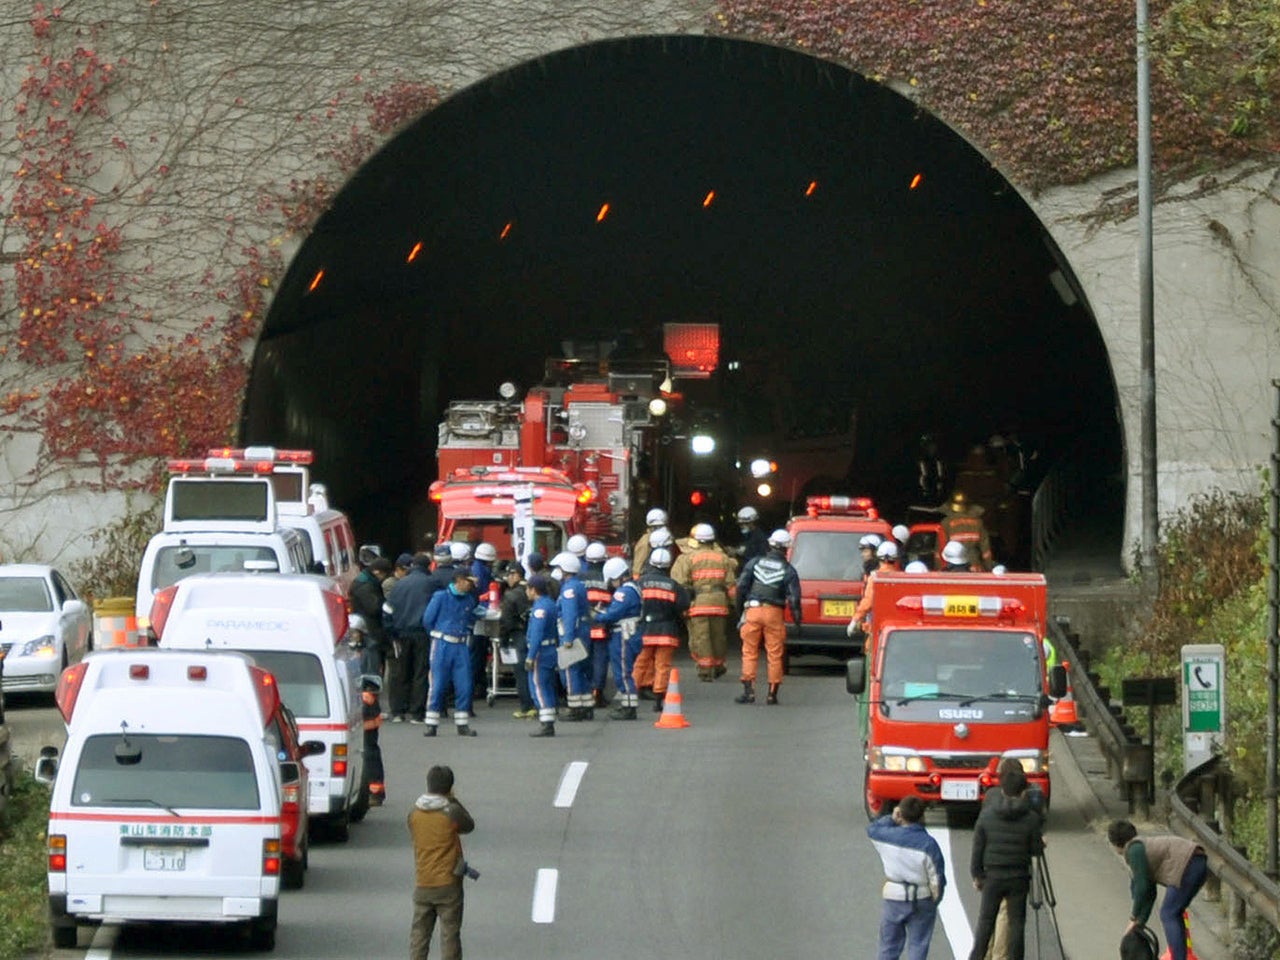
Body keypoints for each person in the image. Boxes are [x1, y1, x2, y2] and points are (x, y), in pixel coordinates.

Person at [968, 763, 1045, 960]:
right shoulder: (1031, 818)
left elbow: (978, 848)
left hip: (993, 875)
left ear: (1001, 789)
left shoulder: (987, 815)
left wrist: (977, 874)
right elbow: (1036, 850)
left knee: (985, 922)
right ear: (1023, 791)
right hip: (1018, 875)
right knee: (1016, 923)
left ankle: (976, 957)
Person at [1108, 819, 1208, 960]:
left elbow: (1142, 888)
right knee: (1173, 912)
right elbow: (1150, 891)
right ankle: (1180, 956)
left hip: (1188, 865)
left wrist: (1133, 916)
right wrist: (1139, 923)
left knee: (1169, 913)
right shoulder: (1141, 846)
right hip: (1197, 861)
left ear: (1116, 843)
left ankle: (1179, 958)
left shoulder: (1134, 849)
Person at [867, 795, 946, 960]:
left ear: (900, 814)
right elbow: (936, 879)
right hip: (921, 898)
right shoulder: (928, 844)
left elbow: (873, 828)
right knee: (918, 945)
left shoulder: (885, 837)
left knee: (888, 947)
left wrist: (891, 817)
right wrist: (934, 900)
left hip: (894, 896)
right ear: (922, 816)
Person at [408, 764, 475, 960]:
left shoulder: (414, 814)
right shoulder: (451, 811)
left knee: (419, 935)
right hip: (448, 884)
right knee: (450, 934)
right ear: (449, 787)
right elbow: (469, 825)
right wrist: (453, 799)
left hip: (423, 882)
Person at [734, 529, 801, 706]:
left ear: (770, 545)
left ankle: (749, 692)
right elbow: (794, 599)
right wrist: (797, 621)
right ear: (787, 549)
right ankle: (772, 694)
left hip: (753, 610)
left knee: (749, 651)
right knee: (774, 654)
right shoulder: (789, 570)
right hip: (774, 613)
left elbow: (741, 587)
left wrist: (739, 610)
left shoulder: (755, 563)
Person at [671, 522, 736, 682]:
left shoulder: (688, 558)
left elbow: (680, 584)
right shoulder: (723, 558)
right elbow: (731, 584)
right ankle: (719, 665)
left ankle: (706, 670)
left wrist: (682, 606)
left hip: (698, 604)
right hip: (719, 604)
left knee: (701, 637)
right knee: (718, 637)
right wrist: (734, 605)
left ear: (697, 541)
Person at [421, 570, 483, 737]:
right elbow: (427, 620)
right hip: (442, 643)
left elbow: (470, 619)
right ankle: (432, 723)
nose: (471, 586)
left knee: (465, 684)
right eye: (469, 582)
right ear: (460, 580)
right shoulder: (441, 596)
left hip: (461, 644)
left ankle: (462, 724)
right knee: (438, 684)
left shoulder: (469, 600)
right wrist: (437, 634)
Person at [631, 547, 689, 711]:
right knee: (662, 665)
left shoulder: (640, 582)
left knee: (640, 663)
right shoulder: (674, 585)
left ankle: (630, 696)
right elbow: (683, 605)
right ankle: (658, 700)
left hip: (645, 630)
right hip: (667, 631)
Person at [385, 553, 435, 723]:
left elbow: (387, 610)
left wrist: (391, 631)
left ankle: (398, 711)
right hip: (422, 633)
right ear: (427, 566)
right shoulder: (430, 584)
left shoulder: (399, 585)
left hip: (400, 633)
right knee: (420, 672)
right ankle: (417, 712)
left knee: (400, 672)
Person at [594, 556, 642, 719]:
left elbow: (613, 614)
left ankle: (629, 706)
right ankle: (628, 703)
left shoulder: (623, 592)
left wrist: (596, 615)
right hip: (629, 632)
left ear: (617, 577)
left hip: (623, 634)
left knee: (622, 670)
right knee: (624, 669)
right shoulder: (633, 588)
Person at [552, 552, 594, 721]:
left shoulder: (569, 589)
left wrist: (568, 638)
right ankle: (586, 704)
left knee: (570, 670)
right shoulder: (578, 585)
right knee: (581, 669)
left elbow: (569, 614)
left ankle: (575, 707)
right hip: (582, 631)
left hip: (572, 632)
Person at [498, 562, 537, 719]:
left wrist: (503, 642)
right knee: (538, 672)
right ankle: (542, 703)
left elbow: (505, 622)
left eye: (508, 575)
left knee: (521, 672)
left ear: (516, 575)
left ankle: (527, 706)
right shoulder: (534, 589)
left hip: (518, 636)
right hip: (535, 635)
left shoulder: (511, 595)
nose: (507, 579)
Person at [523, 574, 560, 737]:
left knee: (538, 687)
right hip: (551, 649)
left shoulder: (539, 608)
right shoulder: (550, 603)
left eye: (527, 588)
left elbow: (537, 634)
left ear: (533, 590)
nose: (526, 591)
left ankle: (546, 722)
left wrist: (531, 656)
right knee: (547, 686)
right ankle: (549, 717)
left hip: (540, 652)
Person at [581, 541, 613, 708]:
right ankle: (597, 693)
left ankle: (585, 692)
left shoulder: (579, 578)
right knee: (600, 660)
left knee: (584, 659)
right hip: (601, 627)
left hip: (584, 627)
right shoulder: (608, 579)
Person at [351, 557, 393, 680]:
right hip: (369, 631)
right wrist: (383, 604)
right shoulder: (365, 586)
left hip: (370, 629)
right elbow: (373, 608)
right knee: (371, 665)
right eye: (384, 575)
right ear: (377, 572)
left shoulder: (368, 582)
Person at [848, 540, 901, 637]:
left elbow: (868, 601)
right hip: (896, 629)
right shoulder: (901, 579)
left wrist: (856, 619)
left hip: (877, 628)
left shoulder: (875, 578)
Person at [467, 542, 498, 702]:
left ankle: (476, 685)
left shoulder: (475, 568)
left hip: (477, 616)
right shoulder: (482, 571)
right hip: (479, 617)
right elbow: (482, 595)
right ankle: (474, 686)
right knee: (476, 653)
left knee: (476, 653)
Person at [940, 491, 995, 570]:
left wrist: (939, 570)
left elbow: (940, 548)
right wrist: (988, 568)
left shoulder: (946, 523)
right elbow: (985, 548)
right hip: (975, 565)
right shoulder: (978, 522)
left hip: (953, 566)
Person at [360, 674, 385, 807]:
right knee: (371, 755)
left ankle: (375, 793)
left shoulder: (365, 697)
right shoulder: (368, 697)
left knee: (369, 755)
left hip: (365, 728)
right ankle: (375, 793)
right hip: (368, 728)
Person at [631, 507, 669, 578]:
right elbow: (639, 562)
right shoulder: (646, 540)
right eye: (657, 526)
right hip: (648, 574)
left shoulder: (667, 537)